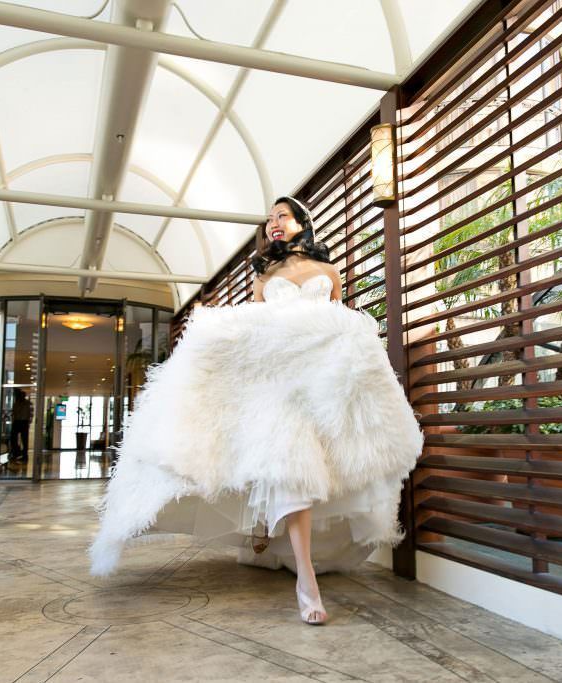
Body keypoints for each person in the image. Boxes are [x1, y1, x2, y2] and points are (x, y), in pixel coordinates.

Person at [90, 196, 423, 625]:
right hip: (280, 389)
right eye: (269, 220)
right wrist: (211, 333)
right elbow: (257, 331)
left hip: (319, 387)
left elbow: (337, 325)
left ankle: (286, 555)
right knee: (293, 474)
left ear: (303, 222)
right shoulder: (266, 274)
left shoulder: (329, 272)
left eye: (281, 216)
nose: (273, 225)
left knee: (326, 471)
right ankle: (306, 581)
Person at [9, 389, 31, 463]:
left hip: (24, 422)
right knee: (13, 438)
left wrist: (28, 423)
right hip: (17, 421)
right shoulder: (16, 403)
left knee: (24, 440)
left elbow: (30, 414)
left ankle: (24, 455)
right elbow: (14, 413)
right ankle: (16, 452)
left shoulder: (27, 403)